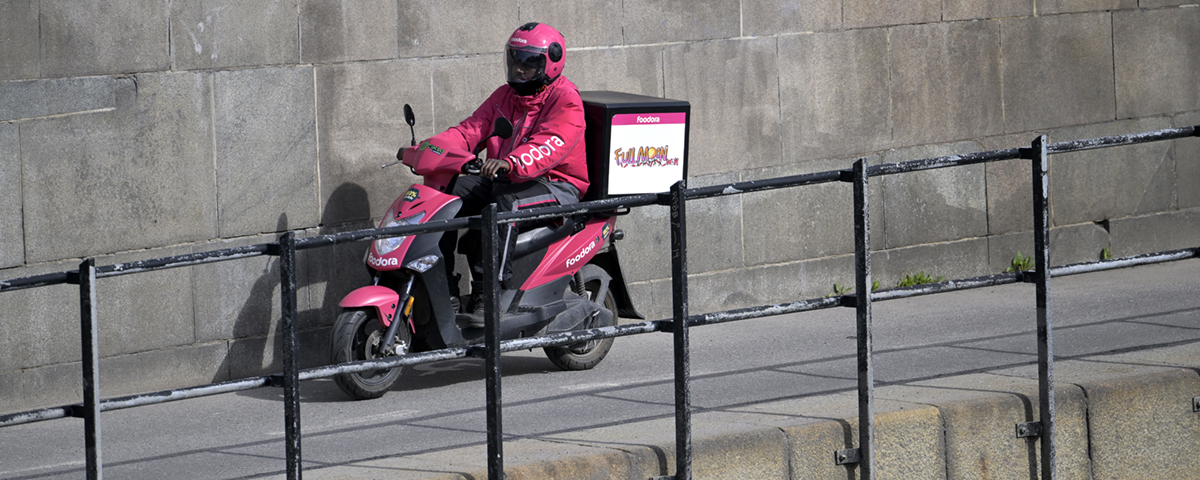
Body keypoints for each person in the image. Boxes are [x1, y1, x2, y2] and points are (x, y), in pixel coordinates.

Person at [424, 22, 589, 326]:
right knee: (446, 193)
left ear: (551, 62)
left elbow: (551, 143)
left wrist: (511, 162)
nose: (519, 69)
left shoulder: (565, 99)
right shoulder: (505, 96)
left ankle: (491, 294)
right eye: (515, 59)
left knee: (504, 205)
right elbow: (471, 129)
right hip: (506, 177)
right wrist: (432, 149)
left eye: (530, 62)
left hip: (555, 185)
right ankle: (442, 287)